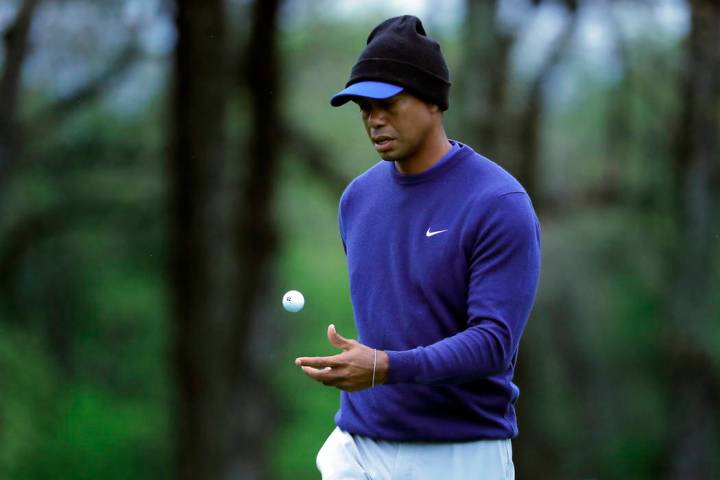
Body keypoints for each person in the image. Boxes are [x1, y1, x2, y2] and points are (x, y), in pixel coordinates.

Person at [294, 15, 541, 480]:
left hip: (458, 454)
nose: (373, 119)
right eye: (363, 107)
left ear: (432, 102)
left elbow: (493, 343)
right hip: (358, 445)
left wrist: (385, 367)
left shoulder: (497, 203)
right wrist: (373, 370)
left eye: (386, 102)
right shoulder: (357, 199)